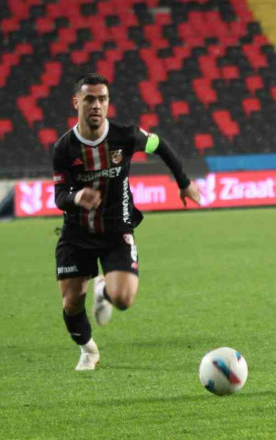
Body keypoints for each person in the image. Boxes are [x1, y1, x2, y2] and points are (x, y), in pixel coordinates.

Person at [53, 73, 200, 370]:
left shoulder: (126, 135)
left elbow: (160, 145)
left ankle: (103, 289)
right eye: (89, 99)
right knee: (71, 303)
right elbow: (59, 195)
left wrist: (183, 182)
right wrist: (77, 196)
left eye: (102, 99)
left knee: (123, 299)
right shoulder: (64, 148)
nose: (96, 105)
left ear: (108, 103)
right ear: (76, 102)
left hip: (117, 228)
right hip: (76, 233)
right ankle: (89, 350)